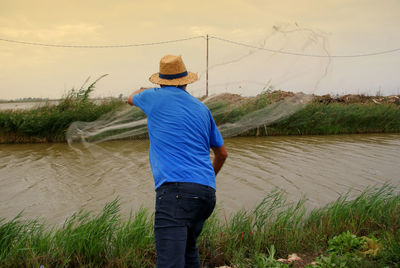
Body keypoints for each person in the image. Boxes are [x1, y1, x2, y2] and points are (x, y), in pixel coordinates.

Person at [127, 54, 227, 268]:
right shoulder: (202, 109)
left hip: (175, 194)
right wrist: (202, 181)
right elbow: (222, 154)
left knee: (170, 263)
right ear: (185, 81)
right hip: (205, 194)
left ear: (160, 81)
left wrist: (142, 89)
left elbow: (130, 98)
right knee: (189, 254)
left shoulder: (152, 97)